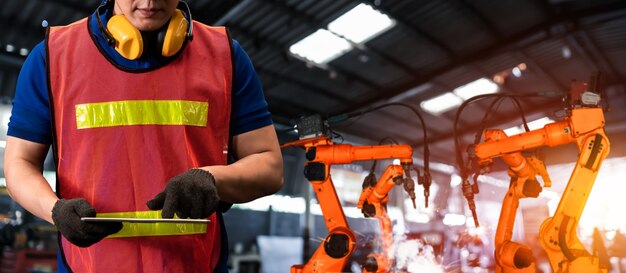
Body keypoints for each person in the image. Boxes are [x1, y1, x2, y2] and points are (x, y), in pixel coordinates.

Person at [3, 0, 284, 272]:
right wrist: (55, 210)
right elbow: (19, 164)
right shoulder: (53, 57)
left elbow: (269, 165)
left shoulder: (225, 57)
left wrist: (213, 179)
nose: (149, 2)